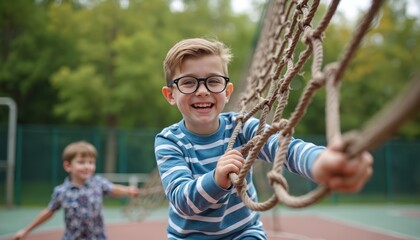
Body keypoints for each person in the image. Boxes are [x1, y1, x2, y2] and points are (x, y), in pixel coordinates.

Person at [154, 38, 373, 240]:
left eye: (213, 81)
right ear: (171, 95)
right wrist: (216, 179)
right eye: (189, 83)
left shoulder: (241, 127)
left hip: (242, 232)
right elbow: (182, 200)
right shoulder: (170, 141)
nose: (202, 91)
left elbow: (284, 147)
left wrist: (320, 161)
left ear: (227, 91)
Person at [13, 141, 140, 240]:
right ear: (68, 166)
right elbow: (49, 211)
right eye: (81, 162)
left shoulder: (98, 183)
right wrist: (26, 230)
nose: (87, 166)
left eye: (91, 162)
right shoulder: (61, 192)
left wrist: (128, 190)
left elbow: (113, 189)